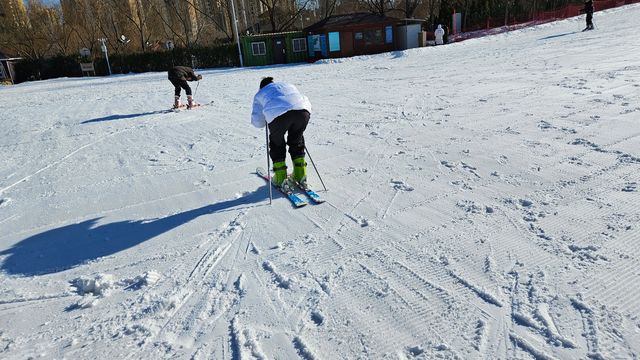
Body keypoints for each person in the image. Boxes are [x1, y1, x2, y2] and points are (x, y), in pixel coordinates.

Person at [251, 77, 312, 190]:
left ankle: (280, 178)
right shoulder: (287, 84)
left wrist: (266, 118)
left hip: (278, 115)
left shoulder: (260, 94)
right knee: (296, 141)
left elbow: (258, 122)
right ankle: (300, 175)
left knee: (277, 143)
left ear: (261, 87)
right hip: (303, 111)